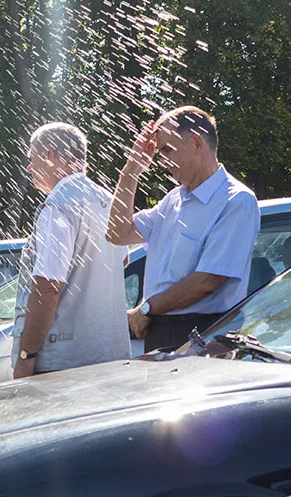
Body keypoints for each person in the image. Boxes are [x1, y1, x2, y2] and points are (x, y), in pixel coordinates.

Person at [107, 106, 260, 352]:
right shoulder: (173, 199)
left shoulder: (237, 200)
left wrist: (146, 308)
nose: (162, 162)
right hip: (161, 331)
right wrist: (131, 171)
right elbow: (117, 233)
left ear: (197, 143)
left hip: (203, 336)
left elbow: (207, 280)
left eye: (167, 149)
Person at [12, 124, 130, 380]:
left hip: (63, 364)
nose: (29, 168)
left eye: (32, 158)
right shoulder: (109, 200)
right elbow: (123, 261)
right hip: (111, 355)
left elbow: (47, 287)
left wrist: (26, 355)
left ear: (50, 156)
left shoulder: (58, 205)